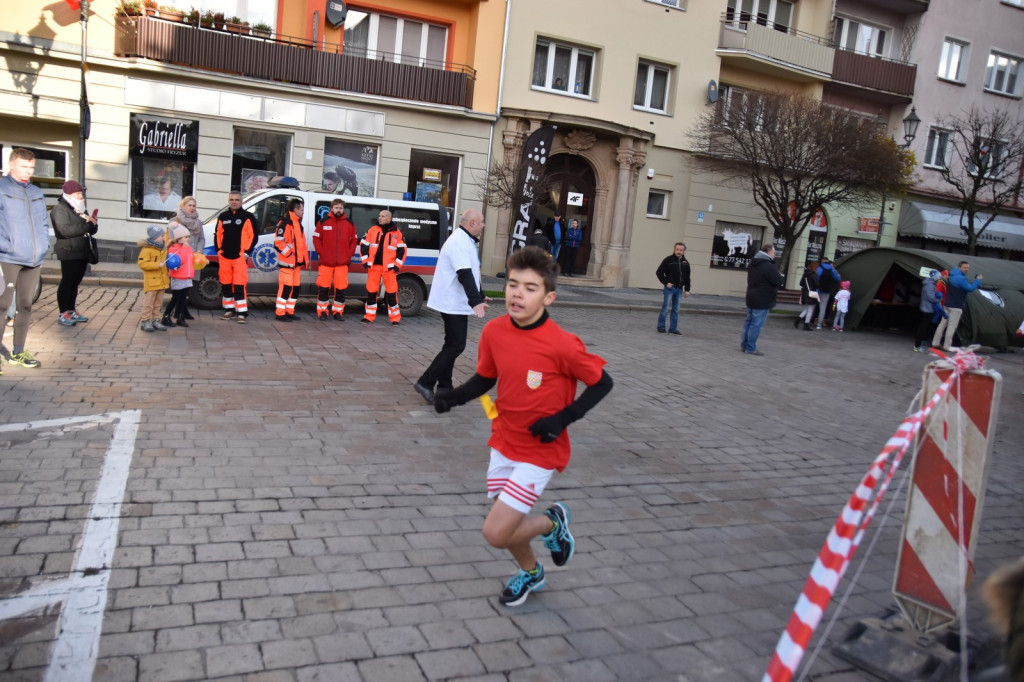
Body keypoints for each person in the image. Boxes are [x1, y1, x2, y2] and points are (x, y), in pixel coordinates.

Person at [433, 246, 613, 606]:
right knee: (510, 525)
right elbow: (486, 378)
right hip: (503, 442)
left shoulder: (562, 344)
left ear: (548, 297)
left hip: (540, 450)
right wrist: (453, 397)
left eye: (530, 288)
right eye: (513, 284)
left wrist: (562, 419)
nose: (517, 294)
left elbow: (602, 383)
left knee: (496, 532)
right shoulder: (495, 331)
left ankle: (551, 523)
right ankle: (531, 572)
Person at [413, 208, 489, 404]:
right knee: (456, 345)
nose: (483, 225)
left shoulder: (465, 240)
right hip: (451, 302)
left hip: (454, 301)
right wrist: (475, 301)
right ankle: (425, 382)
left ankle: (445, 387)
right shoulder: (459, 241)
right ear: (472, 223)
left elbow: (472, 273)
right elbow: (464, 274)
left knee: (451, 344)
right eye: (482, 221)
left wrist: (480, 295)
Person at [0, 147, 50, 369]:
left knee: (25, 305)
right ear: (11, 165)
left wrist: (43, 245)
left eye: (31, 167)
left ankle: (18, 352)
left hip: (33, 259)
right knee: (2, 306)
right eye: (24, 166)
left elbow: (43, 222)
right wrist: (6, 246)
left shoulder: (36, 192)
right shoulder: (2, 188)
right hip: (8, 257)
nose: (28, 171)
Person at [50, 179, 98, 327]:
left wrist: (93, 223)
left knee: (75, 282)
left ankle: (71, 310)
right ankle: (63, 312)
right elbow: (65, 230)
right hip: (68, 250)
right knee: (67, 282)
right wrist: (88, 225)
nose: (80, 196)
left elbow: (91, 229)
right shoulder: (60, 209)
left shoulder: (80, 208)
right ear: (68, 194)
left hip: (82, 250)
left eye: (81, 193)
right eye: (77, 193)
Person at [312, 198, 358, 320]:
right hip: (326, 263)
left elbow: (354, 241)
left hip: (342, 263)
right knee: (323, 289)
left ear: (343, 209)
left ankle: (338, 312)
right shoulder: (323, 222)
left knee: (341, 289)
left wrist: (349, 254)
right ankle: (322, 312)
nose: (339, 210)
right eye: (336, 207)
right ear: (332, 208)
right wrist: (322, 253)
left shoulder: (350, 223)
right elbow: (316, 239)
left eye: (341, 208)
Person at [359, 209, 406, 325]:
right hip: (374, 267)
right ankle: (368, 316)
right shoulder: (372, 230)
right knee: (371, 292)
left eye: (383, 216)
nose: (380, 218)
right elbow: (363, 245)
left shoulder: (397, 233)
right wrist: (365, 261)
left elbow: (402, 251)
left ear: (389, 218)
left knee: (391, 293)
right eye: (379, 216)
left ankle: (395, 319)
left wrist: (397, 266)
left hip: (389, 269)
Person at [215, 191, 256, 323]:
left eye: (237, 200)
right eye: (231, 199)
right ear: (228, 201)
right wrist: (219, 250)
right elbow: (218, 234)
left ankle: (241, 313)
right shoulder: (223, 216)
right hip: (225, 257)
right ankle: (229, 310)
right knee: (226, 284)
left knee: (239, 285)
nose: (234, 202)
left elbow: (253, 236)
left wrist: (246, 252)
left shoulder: (248, 217)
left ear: (241, 202)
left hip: (239, 257)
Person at [741, 244, 785, 356]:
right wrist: (781, 276)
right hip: (763, 298)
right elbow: (778, 281)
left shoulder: (753, 263)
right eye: (774, 252)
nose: (774, 255)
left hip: (751, 296)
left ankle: (744, 344)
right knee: (756, 324)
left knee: (748, 322)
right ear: (769, 252)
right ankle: (750, 348)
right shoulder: (768, 266)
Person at [932, 260, 983, 351]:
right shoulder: (961, 278)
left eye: (968, 268)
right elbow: (970, 288)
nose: (967, 269)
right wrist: (977, 280)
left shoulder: (952, 275)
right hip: (956, 306)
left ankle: (935, 343)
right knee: (951, 326)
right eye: (965, 267)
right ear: (959, 267)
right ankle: (946, 346)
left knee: (942, 324)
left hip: (947, 304)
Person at [274, 197, 309, 322]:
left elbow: (301, 244)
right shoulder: (285, 223)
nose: (303, 212)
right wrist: (289, 254)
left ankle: (289, 311)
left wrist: (303, 259)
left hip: (296, 264)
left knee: (295, 289)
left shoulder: (297, 223)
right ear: (295, 209)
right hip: (288, 264)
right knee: (285, 288)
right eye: (302, 209)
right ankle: (280, 313)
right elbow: (278, 242)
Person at [137, 225, 170, 332]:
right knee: (149, 303)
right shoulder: (147, 249)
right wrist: (156, 265)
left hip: (162, 281)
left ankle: (155, 319)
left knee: (158, 303)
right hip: (152, 282)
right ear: (154, 237)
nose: (163, 238)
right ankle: (145, 321)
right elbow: (142, 264)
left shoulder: (163, 248)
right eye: (161, 236)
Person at [654, 242, 691, 335]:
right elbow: (659, 272)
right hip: (669, 289)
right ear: (674, 249)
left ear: (684, 251)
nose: (679, 251)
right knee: (665, 308)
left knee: (676, 309)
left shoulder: (685, 263)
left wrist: (687, 289)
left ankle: (673, 329)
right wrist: (666, 282)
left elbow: (687, 277)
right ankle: (661, 327)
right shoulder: (668, 260)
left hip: (679, 289)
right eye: (677, 249)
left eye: (681, 250)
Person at [162, 225, 195, 328]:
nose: (188, 239)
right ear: (178, 238)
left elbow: (192, 259)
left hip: (187, 277)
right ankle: (166, 316)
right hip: (178, 277)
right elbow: (180, 260)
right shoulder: (173, 249)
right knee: (176, 298)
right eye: (185, 237)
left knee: (183, 298)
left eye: (188, 237)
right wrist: (184, 248)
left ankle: (180, 316)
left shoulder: (188, 248)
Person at [914, 270, 942, 352]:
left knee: (923, 327)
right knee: (923, 328)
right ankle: (917, 346)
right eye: (939, 276)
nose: (939, 278)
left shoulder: (927, 284)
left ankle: (918, 345)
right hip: (928, 309)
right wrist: (939, 299)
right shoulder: (930, 285)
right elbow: (931, 298)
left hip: (925, 307)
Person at [815, 258, 841, 329]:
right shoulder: (831, 269)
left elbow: (816, 278)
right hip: (827, 291)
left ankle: (808, 320)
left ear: (822, 262)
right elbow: (838, 279)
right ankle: (819, 325)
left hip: (818, 290)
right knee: (823, 308)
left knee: (813, 305)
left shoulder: (819, 268)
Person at [793, 264, 818, 331]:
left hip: (805, 293)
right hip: (811, 294)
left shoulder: (805, 275)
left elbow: (801, 283)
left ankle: (798, 320)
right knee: (810, 310)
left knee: (807, 308)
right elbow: (817, 284)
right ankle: (806, 325)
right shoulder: (813, 275)